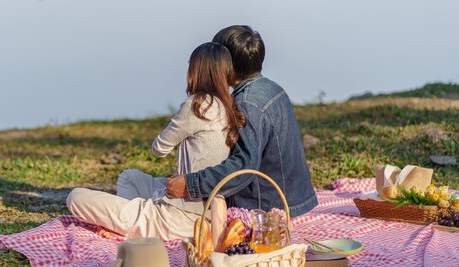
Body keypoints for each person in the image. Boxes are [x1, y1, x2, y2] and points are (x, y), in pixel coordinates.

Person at [66, 42, 245, 240]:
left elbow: (159, 148)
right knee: (129, 177)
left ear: (197, 70)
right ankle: (130, 222)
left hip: (179, 217)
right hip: (205, 212)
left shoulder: (197, 105)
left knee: (75, 197)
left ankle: (132, 224)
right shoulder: (229, 106)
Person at [166, 25, 318, 217]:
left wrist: (191, 184)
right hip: (293, 198)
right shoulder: (272, 88)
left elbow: (244, 166)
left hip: (266, 206)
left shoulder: (247, 104)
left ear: (227, 64)